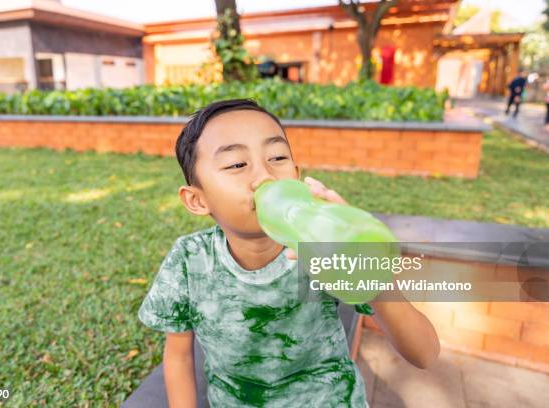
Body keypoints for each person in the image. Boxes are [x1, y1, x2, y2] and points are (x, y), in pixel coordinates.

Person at [138, 99, 440, 407]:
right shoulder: (189, 260)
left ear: (295, 175)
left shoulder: (321, 245)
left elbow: (425, 354)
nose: (265, 176)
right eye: (237, 164)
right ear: (197, 200)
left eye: (277, 157)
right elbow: (178, 357)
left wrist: (371, 275)